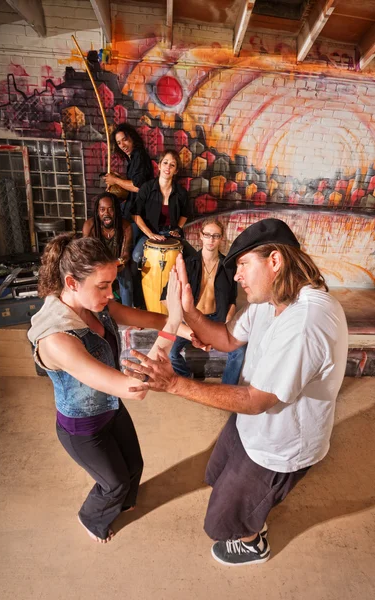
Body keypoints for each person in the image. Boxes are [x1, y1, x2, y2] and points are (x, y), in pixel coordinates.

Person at [122, 218, 349, 566]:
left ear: (274, 261)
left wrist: (173, 383)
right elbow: (227, 339)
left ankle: (253, 542)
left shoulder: (306, 322)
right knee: (216, 471)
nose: (237, 275)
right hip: (251, 423)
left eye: (243, 264)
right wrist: (188, 310)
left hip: (281, 443)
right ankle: (249, 510)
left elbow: (257, 400)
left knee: (221, 523)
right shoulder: (267, 300)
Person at [27, 234, 184, 544]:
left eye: (111, 283)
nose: (110, 293)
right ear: (71, 283)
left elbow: (149, 318)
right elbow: (136, 388)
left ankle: (124, 503)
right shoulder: (57, 339)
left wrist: (190, 330)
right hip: (82, 429)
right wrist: (175, 323)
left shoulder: (96, 305)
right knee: (113, 483)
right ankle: (92, 519)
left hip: (111, 408)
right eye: (102, 286)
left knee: (134, 466)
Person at [164, 217, 246, 384]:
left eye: (215, 236)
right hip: (190, 319)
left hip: (216, 319)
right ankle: (187, 378)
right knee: (171, 352)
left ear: (221, 238)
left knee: (239, 350)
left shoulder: (228, 267)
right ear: (200, 236)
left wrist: (229, 320)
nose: (211, 240)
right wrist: (179, 319)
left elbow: (232, 299)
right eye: (207, 235)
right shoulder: (188, 264)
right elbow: (166, 296)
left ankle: (227, 388)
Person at [132, 150, 196, 264]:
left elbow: (185, 214)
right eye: (165, 163)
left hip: (171, 235)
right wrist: (150, 234)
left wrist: (178, 228)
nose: (168, 167)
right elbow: (135, 214)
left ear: (175, 171)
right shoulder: (147, 188)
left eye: (172, 165)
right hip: (150, 233)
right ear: (159, 166)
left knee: (193, 258)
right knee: (137, 257)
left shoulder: (181, 192)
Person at [82, 192, 134, 306]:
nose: (106, 213)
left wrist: (117, 263)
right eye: (102, 209)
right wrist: (101, 266)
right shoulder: (90, 226)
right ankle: (96, 310)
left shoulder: (125, 226)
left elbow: (126, 254)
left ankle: (127, 312)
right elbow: (86, 254)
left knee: (126, 279)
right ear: (97, 211)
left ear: (116, 210)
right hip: (98, 266)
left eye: (110, 209)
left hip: (118, 265)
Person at [104, 123, 153, 222]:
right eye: (119, 143)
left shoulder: (139, 156)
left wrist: (116, 180)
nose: (122, 145)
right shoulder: (132, 158)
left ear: (133, 138)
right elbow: (135, 181)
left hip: (140, 214)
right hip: (132, 209)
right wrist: (120, 180)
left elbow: (137, 187)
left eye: (124, 140)